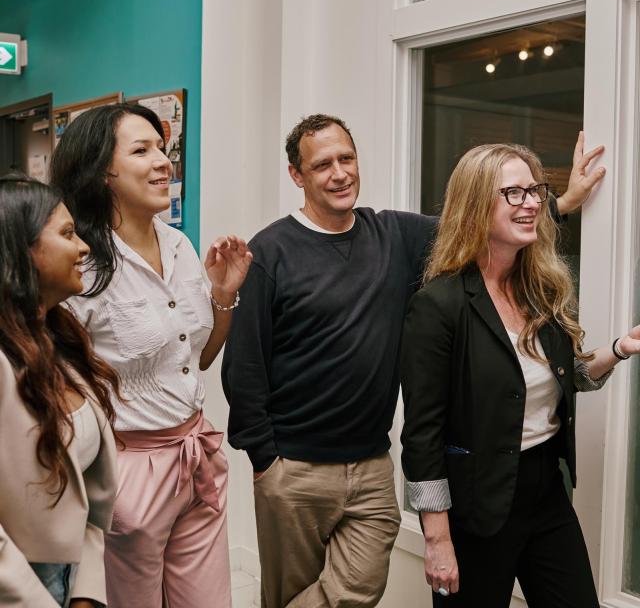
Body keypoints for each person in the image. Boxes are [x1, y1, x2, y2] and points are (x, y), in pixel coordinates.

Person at [221, 114, 604, 608]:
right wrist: (264, 460)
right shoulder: (270, 251)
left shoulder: (393, 234)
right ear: (297, 175)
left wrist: (559, 203)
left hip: (371, 462)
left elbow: (479, 217)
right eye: (322, 165)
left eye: (346, 158)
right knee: (290, 592)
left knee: (358, 587)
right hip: (295, 465)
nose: (339, 173)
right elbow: (245, 365)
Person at [400, 142, 640, 607]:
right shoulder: (439, 306)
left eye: (534, 191)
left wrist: (618, 350)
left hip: (546, 490)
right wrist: (437, 538)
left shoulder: (538, 288)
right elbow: (422, 434)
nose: (531, 203)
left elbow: (563, 377)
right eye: (514, 193)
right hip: (476, 505)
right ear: (475, 205)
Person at [50, 104, 252, 608]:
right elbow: (58, 386)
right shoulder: (81, 266)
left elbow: (198, 358)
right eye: (141, 150)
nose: (164, 161)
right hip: (125, 470)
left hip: (197, 457)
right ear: (102, 173)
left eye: (162, 147)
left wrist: (223, 294)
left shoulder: (179, 244)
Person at [0, 174, 120, 608]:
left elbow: (81, 492)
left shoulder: (60, 341)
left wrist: (86, 591)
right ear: (22, 250)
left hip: (69, 576)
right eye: (67, 234)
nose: (84, 247)